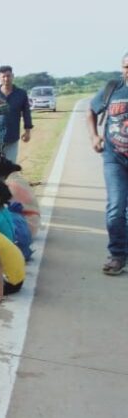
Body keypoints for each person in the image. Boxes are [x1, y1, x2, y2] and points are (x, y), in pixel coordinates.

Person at [87, 52, 128, 275]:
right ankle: (117, 255)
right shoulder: (113, 89)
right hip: (114, 158)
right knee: (116, 208)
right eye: (126, 67)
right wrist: (94, 136)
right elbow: (91, 111)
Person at [0, 66, 33, 163]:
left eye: (8, 76)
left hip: (12, 136)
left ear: (12, 76)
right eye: (3, 76)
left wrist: (27, 131)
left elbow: (26, 113)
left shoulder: (21, 94)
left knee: (10, 166)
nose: (6, 79)